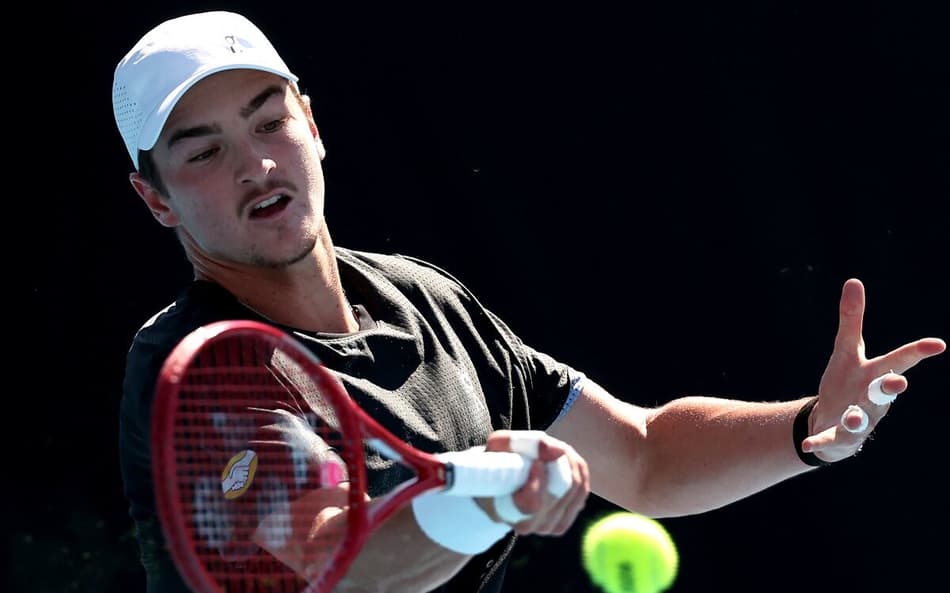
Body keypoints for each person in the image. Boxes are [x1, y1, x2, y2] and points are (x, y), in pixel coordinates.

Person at [112, 10, 945, 593]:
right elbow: (339, 564)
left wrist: (808, 429)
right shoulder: (197, 363)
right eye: (204, 152)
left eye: (268, 122)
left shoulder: (422, 299)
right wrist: (482, 495)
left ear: (313, 125)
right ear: (155, 200)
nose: (255, 165)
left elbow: (646, 452)